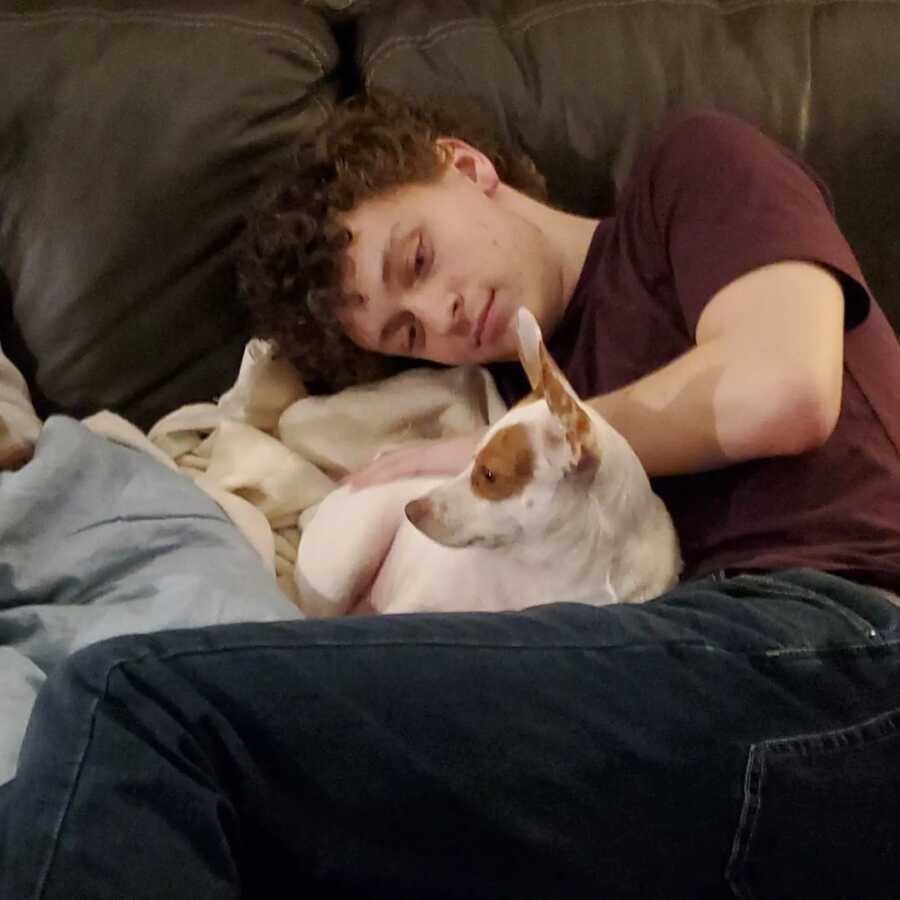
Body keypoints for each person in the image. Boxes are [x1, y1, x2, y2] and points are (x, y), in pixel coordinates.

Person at [2, 91, 899, 899]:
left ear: (466, 167)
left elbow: (784, 388)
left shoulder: (693, 169)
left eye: (419, 259)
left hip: (841, 640)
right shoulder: (509, 407)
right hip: (690, 731)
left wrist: (499, 448)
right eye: (407, 333)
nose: (442, 320)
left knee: (134, 704)